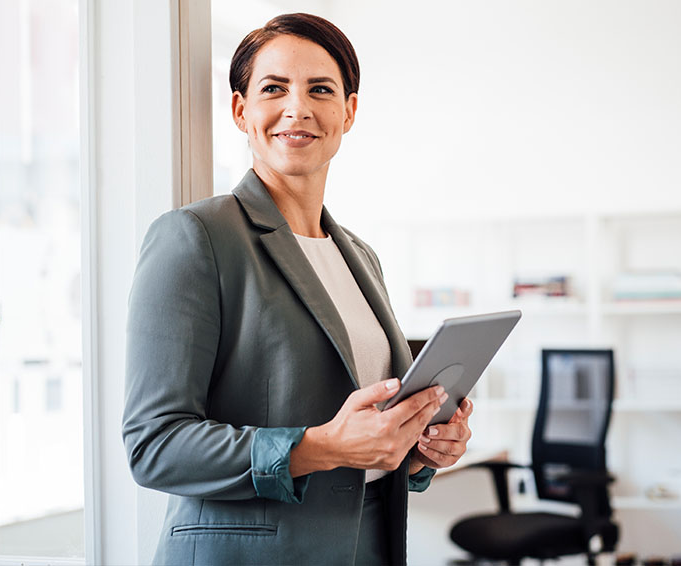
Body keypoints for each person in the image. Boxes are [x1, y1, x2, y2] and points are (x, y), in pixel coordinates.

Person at [123, 13, 473, 565]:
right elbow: (154, 446)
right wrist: (323, 447)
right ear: (241, 110)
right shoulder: (197, 237)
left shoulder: (360, 257)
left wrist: (418, 450)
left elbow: (367, 441)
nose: (297, 108)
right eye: (273, 89)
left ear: (348, 112)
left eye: (320, 90)